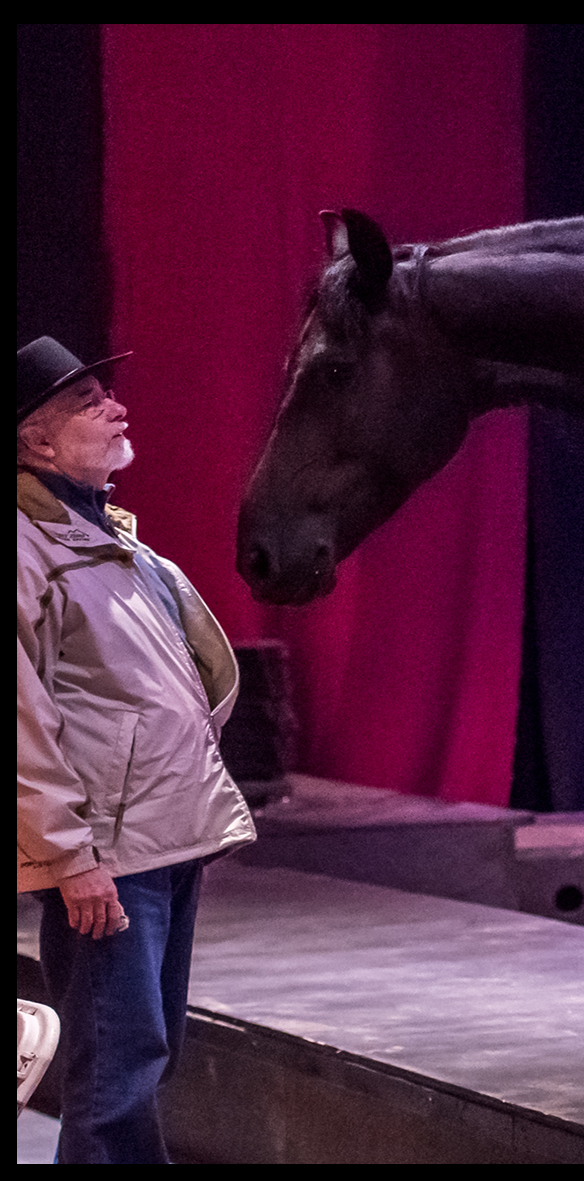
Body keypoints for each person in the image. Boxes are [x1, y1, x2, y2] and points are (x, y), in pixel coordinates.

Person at [17, 336, 256, 1163]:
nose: (116, 406)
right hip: (107, 854)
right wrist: (68, 855)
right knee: (114, 1079)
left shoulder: (105, 538)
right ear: (37, 442)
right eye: (87, 402)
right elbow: (20, 717)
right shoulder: (26, 548)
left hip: (160, 838)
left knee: (142, 1064)